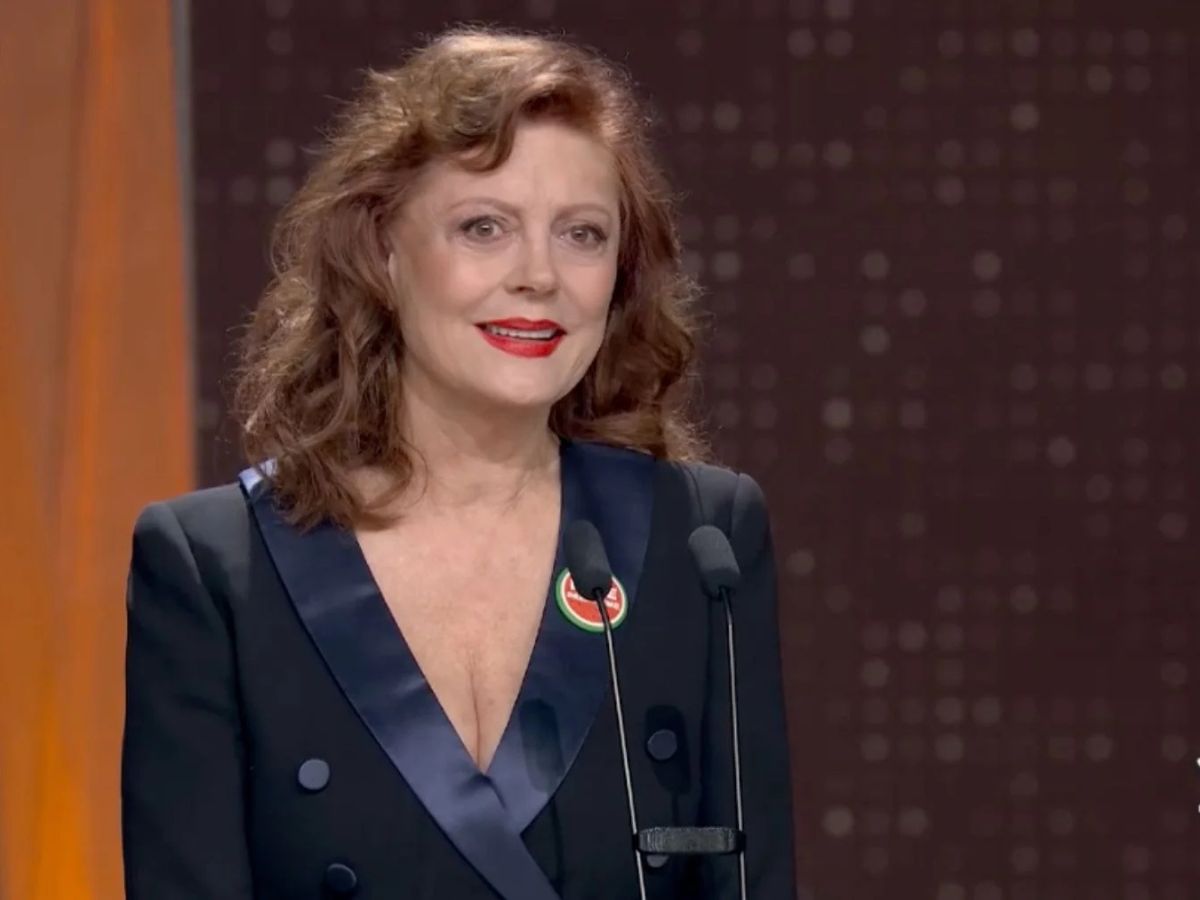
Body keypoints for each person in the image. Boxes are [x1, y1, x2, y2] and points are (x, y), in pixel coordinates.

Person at [121, 24, 795, 900]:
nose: (540, 275)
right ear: (382, 251)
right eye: (484, 227)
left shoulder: (703, 543)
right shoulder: (216, 568)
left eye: (583, 234)